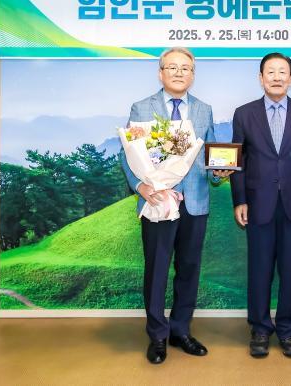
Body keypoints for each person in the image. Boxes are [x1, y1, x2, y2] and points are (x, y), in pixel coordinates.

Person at [121, 47, 232, 364]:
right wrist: (141, 186)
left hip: (194, 202)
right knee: (157, 270)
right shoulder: (142, 107)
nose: (179, 72)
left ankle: (181, 330)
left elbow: (210, 155)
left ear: (193, 75)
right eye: (172, 67)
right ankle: (157, 335)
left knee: (189, 269)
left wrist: (218, 173)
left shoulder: (204, 109)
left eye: (186, 68)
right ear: (161, 73)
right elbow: (127, 153)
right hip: (157, 201)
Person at [230, 52, 291, 358]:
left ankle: (288, 330)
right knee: (259, 270)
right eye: (270, 72)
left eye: (282, 72)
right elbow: (238, 161)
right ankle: (259, 329)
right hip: (258, 203)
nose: (276, 77)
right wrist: (240, 200)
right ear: (261, 78)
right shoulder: (244, 113)